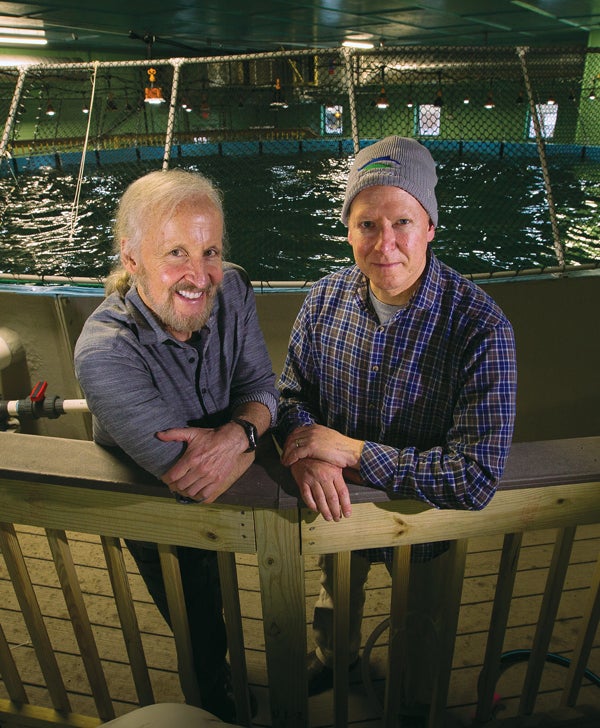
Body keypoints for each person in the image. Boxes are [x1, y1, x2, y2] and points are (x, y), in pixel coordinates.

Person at [277, 136, 517, 713]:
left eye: (402, 222)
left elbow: (475, 476)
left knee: (422, 630)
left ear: (431, 225)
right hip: (339, 510)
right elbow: (288, 396)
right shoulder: (321, 301)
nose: (385, 244)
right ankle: (337, 657)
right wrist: (307, 448)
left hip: (428, 526)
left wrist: (350, 450)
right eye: (366, 225)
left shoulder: (482, 327)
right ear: (348, 229)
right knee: (336, 598)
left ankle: (412, 700)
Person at [75, 168, 278, 723]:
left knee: (221, 598)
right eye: (176, 254)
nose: (199, 275)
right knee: (197, 618)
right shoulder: (104, 352)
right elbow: (191, 477)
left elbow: (263, 387)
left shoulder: (232, 286)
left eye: (209, 250)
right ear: (131, 257)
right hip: (155, 515)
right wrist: (256, 427)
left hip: (228, 489)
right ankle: (215, 698)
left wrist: (239, 432)